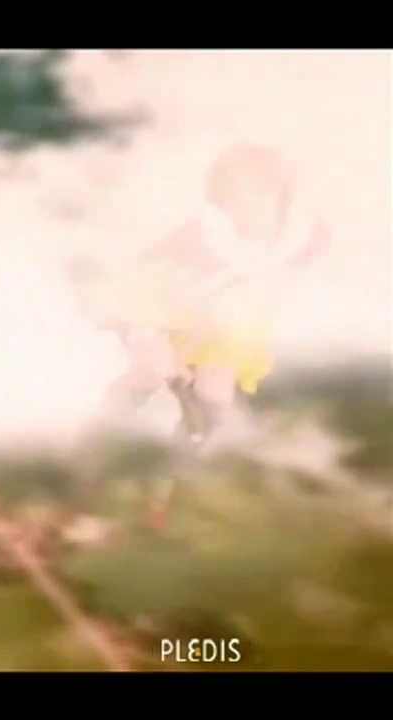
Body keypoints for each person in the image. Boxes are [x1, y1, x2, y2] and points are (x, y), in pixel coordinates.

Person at [78, 144, 329, 526]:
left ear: (280, 194)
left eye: (257, 195)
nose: (245, 208)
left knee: (214, 402)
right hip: (162, 309)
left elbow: (287, 275)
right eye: (232, 199)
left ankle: (168, 487)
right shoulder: (200, 236)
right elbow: (143, 285)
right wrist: (159, 338)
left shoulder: (303, 236)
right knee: (152, 374)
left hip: (226, 323)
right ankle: (99, 445)